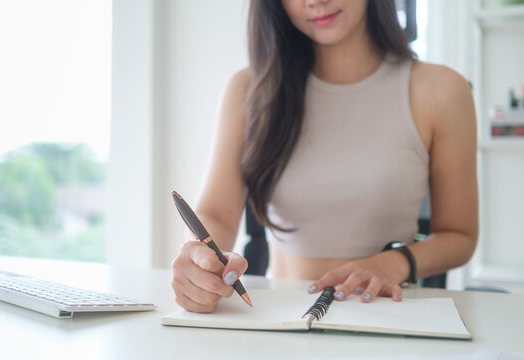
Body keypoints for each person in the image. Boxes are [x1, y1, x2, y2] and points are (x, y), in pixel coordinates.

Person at [171, 0, 478, 313]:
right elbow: (216, 215)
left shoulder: (442, 90)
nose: (315, 1)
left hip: (389, 313)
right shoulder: (248, 90)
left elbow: (459, 234)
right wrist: (200, 260)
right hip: (281, 318)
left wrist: (392, 264)